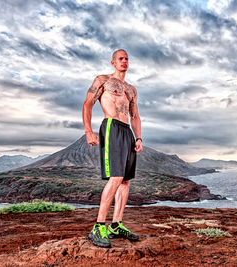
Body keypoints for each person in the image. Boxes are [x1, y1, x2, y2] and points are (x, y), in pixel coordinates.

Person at [82, 49, 143, 248]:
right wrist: (89, 131)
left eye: (127, 58)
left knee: (125, 181)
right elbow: (87, 104)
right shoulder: (103, 80)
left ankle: (116, 225)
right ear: (113, 62)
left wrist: (138, 137)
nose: (124, 61)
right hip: (111, 126)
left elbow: (135, 116)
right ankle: (98, 227)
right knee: (115, 177)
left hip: (127, 132)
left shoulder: (131, 89)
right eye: (121, 58)